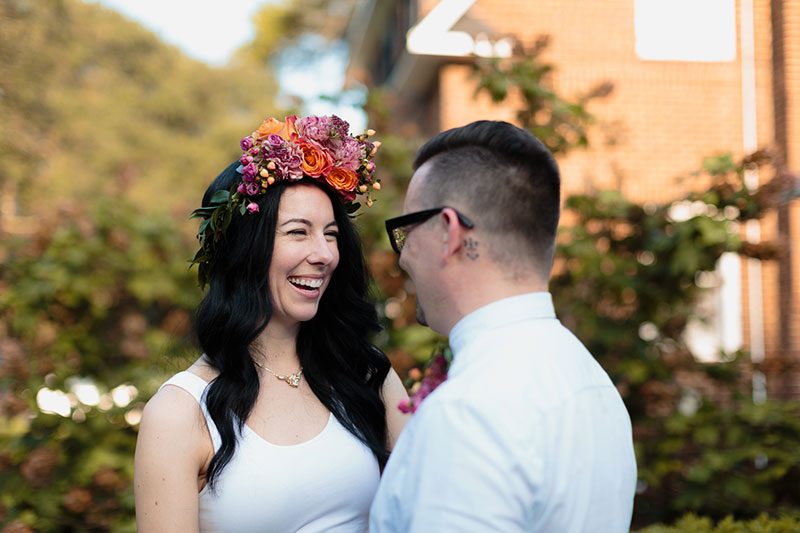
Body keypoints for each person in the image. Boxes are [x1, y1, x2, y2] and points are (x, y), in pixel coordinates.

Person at [134, 114, 409, 532]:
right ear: (246, 250)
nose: (324, 254)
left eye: (331, 234)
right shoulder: (179, 412)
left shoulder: (366, 372)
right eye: (299, 232)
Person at [371, 120, 637, 531]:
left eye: (407, 231)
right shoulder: (593, 382)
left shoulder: (467, 412)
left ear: (449, 233)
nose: (402, 258)